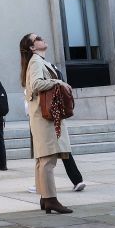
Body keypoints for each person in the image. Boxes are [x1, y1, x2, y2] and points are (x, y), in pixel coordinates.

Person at [20, 33, 72, 214]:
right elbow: (35, 85)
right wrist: (58, 82)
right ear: (32, 47)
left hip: (44, 116)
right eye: (38, 38)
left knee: (43, 159)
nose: (43, 39)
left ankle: (45, 198)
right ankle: (50, 199)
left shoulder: (38, 61)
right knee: (48, 159)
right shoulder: (35, 62)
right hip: (45, 117)